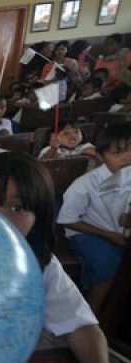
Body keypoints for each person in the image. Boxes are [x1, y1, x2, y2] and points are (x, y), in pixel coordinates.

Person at [0, 152, 128, 363]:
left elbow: (79, 323)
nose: (0, 219)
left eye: (17, 207)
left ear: (37, 219)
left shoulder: (38, 264)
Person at [57, 122, 131, 312]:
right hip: (86, 232)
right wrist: (109, 235)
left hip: (118, 230)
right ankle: (93, 314)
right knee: (109, 267)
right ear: (100, 156)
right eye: (117, 153)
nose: (127, 157)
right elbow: (67, 219)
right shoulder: (85, 184)